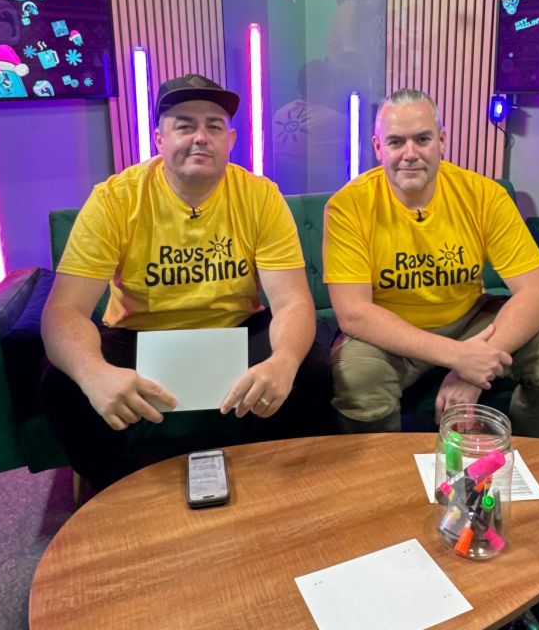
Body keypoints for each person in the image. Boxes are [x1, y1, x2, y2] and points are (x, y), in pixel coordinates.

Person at [40, 73, 333, 489]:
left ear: (230, 140)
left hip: (235, 332)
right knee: (61, 385)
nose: (201, 137)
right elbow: (64, 311)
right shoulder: (115, 199)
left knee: (311, 368)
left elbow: (292, 303)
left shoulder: (261, 197)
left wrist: (283, 360)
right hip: (137, 338)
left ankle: (269, 486)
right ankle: (126, 495)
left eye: (214, 126)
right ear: (159, 138)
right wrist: (92, 373)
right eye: (184, 125)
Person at [322, 88, 539, 439]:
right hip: (391, 332)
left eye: (422, 139)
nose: (410, 154)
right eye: (395, 142)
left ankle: (532, 464)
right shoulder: (347, 207)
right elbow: (354, 313)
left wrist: (472, 366)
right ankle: (382, 482)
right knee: (358, 380)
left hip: (471, 319)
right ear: (378, 148)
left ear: (442, 141)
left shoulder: (484, 195)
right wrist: (458, 357)